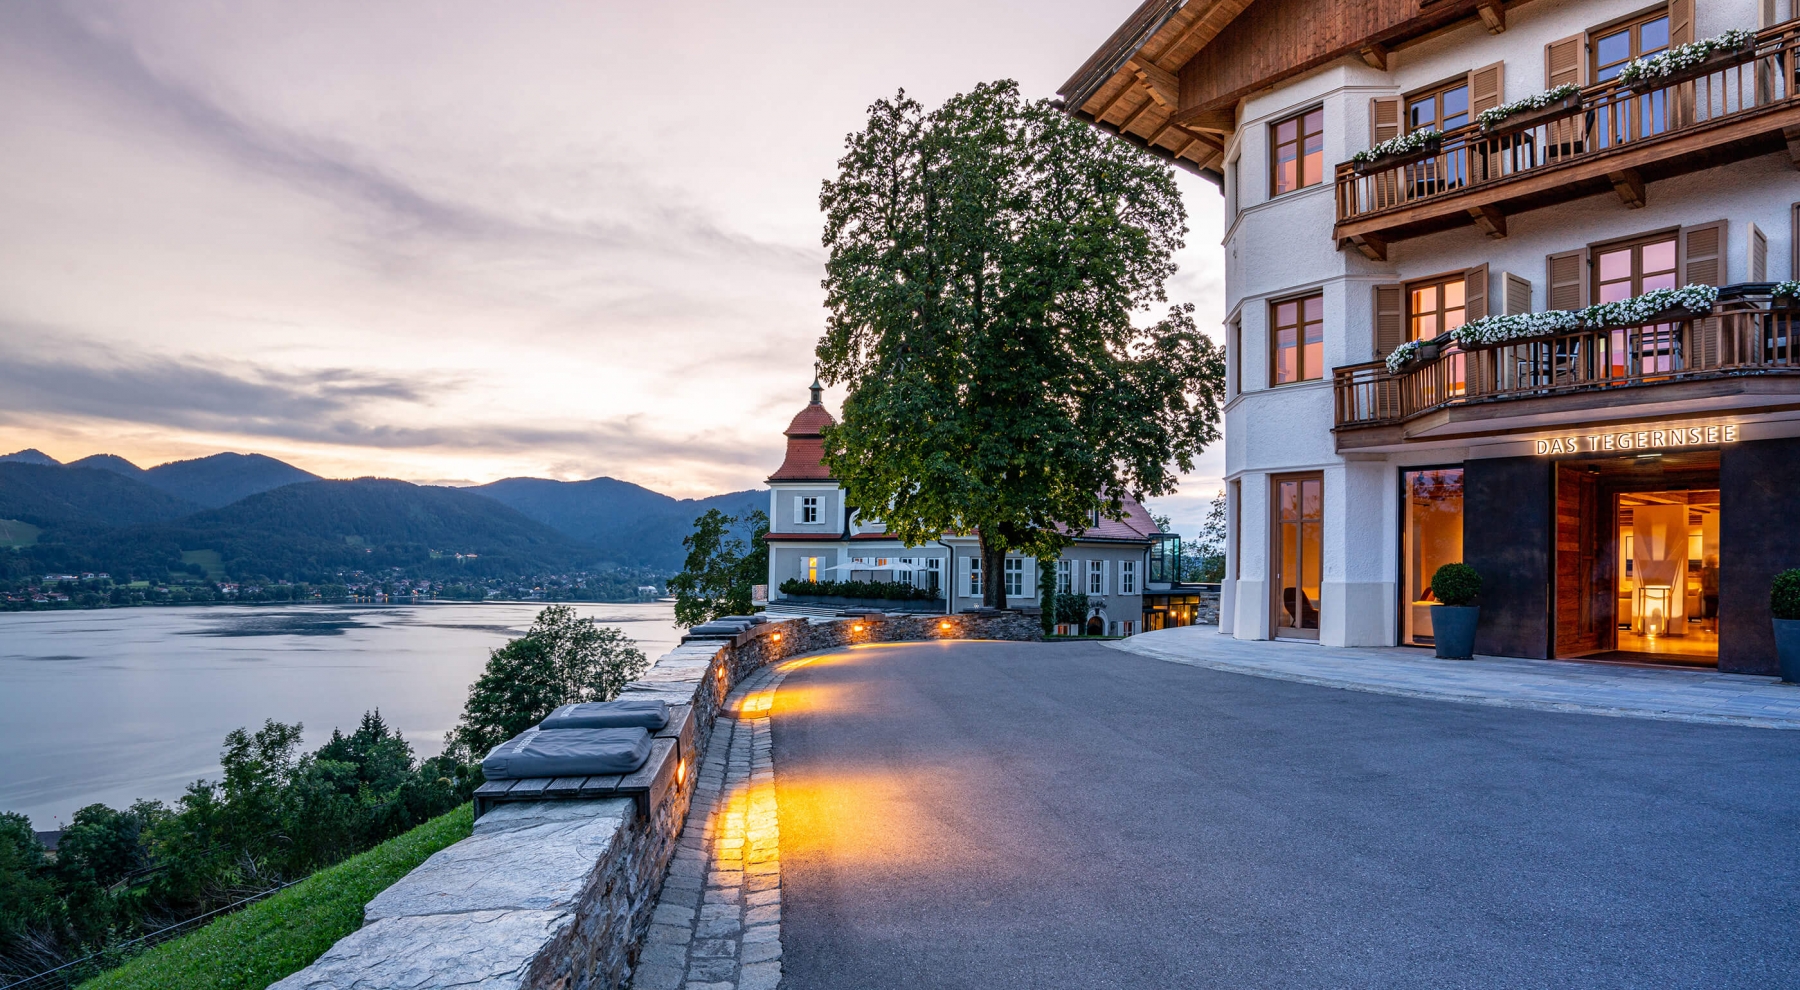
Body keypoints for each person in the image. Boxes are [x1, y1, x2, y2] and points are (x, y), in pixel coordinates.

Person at [1701, 555, 1719, 624]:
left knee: (1708, 611)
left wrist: (1704, 590)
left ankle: (1708, 626)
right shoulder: (1718, 570)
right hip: (1717, 592)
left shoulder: (1705, 570)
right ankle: (1715, 627)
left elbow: (1703, 581)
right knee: (1715, 611)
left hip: (1708, 593)